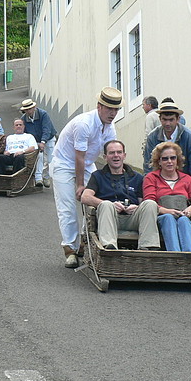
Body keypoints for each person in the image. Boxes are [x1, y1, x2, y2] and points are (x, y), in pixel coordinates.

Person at [51, 86, 123, 268]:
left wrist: (112, 181)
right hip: (64, 164)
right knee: (67, 207)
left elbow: (109, 154)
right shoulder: (84, 124)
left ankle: (85, 241)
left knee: (96, 201)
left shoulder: (110, 127)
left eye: (116, 110)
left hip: (87, 163)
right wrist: (80, 186)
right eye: (109, 109)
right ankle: (70, 250)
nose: (113, 113)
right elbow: (79, 156)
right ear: (99, 106)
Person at [81, 140, 160, 250]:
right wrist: (109, 204)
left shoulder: (137, 177)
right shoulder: (98, 176)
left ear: (124, 155)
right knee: (106, 205)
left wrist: (136, 207)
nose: (116, 156)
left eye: (119, 152)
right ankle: (109, 247)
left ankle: (148, 247)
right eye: (112, 153)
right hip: (110, 218)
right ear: (105, 157)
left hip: (132, 218)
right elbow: (85, 197)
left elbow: (143, 202)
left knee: (150, 204)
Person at [143, 142, 191, 252]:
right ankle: (175, 256)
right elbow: (149, 202)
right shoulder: (151, 178)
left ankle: (189, 257)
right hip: (160, 218)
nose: (169, 161)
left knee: (184, 221)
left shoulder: (187, 179)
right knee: (169, 219)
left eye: (173, 158)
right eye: (165, 159)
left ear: (177, 160)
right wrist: (167, 211)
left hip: (183, 215)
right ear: (159, 162)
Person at [143, 99, 191, 192]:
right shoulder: (152, 137)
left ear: (178, 119)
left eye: (171, 120)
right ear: (160, 119)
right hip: (160, 188)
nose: (167, 123)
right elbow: (148, 166)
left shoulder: (190, 138)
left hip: (185, 188)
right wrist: (150, 189)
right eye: (164, 119)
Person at [20, 98, 57, 188]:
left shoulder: (43, 114)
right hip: (35, 140)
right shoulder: (23, 118)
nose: (28, 111)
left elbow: (46, 129)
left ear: (34, 108)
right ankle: (38, 178)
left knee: (50, 160)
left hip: (49, 138)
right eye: (26, 109)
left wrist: (43, 141)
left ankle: (46, 177)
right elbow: (25, 133)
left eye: (30, 109)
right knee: (38, 157)